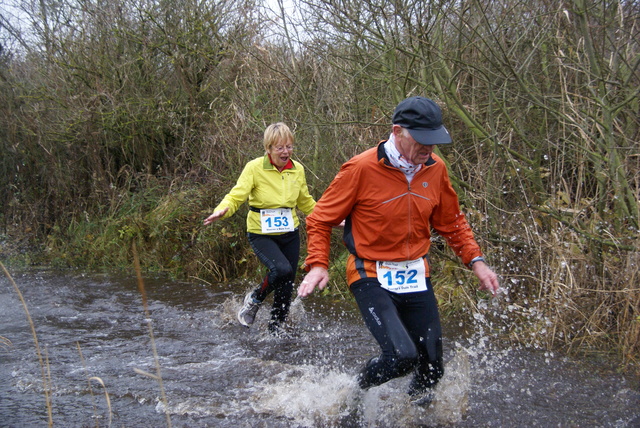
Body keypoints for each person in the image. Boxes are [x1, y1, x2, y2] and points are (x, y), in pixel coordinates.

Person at [297, 96, 500, 402]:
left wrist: (477, 261)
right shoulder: (361, 169)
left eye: (434, 141)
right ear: (397, 131)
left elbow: (453, 222)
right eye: (422, 140)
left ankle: (413, 416)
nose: (428, 148)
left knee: (432, 368)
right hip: (370, 272)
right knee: (402, 356)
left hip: (416, 273)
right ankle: (352, 395)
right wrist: (318, 264)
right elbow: (319, 219)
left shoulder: (436, 169)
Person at [204, 122, 316, 336]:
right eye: (280, 147)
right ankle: (254, 300)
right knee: (280, 270)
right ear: (269, 149)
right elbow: (236, 196)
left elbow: (306, 202)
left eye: (289, 146)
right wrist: (222, 210)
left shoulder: (297, 169)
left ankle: (276, 334)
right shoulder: (254, 168)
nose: (286, 152)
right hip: (261, 233)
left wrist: (333, 218)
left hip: (290, 233)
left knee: (286, 286)